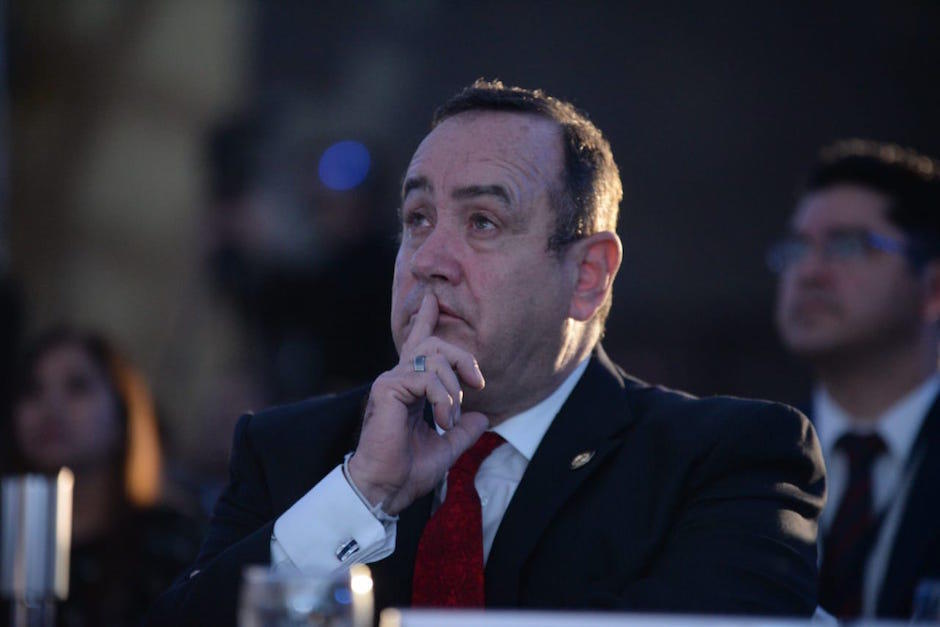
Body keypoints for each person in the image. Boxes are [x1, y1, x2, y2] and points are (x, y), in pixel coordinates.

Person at [150, 80, 825, 625]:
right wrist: (362, 494)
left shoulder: (725, 463)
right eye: (417, 219)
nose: (428, 260)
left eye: (483, 222)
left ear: (587, 275)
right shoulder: (291, 454)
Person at [770, 139, 940, 619]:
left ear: (933, 288)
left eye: (848, 245)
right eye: (797, 247)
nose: (809, 271)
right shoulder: (750, 457)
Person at [2, 328, 204, 627]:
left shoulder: (171, 544)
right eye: (33, 390)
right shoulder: (10, 537)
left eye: (77, 387)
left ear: (122, 416)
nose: (50, 406)